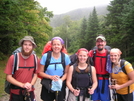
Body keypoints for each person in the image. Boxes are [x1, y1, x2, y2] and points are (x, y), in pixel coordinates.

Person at [4, 36, 40, 101]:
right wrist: (22, 85)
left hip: (29, 92)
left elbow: (35, 74)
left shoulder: (35, 59)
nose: (27, 47)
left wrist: (30, 85)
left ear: (32, 47)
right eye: (25, 44)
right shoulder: (13, 58)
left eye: (30, 45)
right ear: (22, 45)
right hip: (15, 92)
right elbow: (8, 77)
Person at [39, 36, 71, 101]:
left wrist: (60, 80)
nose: (56, 46)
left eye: (58, 44)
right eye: (54, 44)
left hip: (60, 85)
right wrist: (51, 77)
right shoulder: (46, 56)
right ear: (51, 46)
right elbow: (40, 72)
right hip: (47, 84)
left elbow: (67, 73)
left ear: (62, 46)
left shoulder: (66, 57)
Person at [88, 34, 111, 101]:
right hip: (94, 80)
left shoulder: (109, 54)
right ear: (96, 43)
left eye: (102, 41)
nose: (100, 43)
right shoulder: (92, 53)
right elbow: (82, 57)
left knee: (105, 99)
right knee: (95, 99)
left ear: (105, 43)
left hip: (105, 80)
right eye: (98, 41)